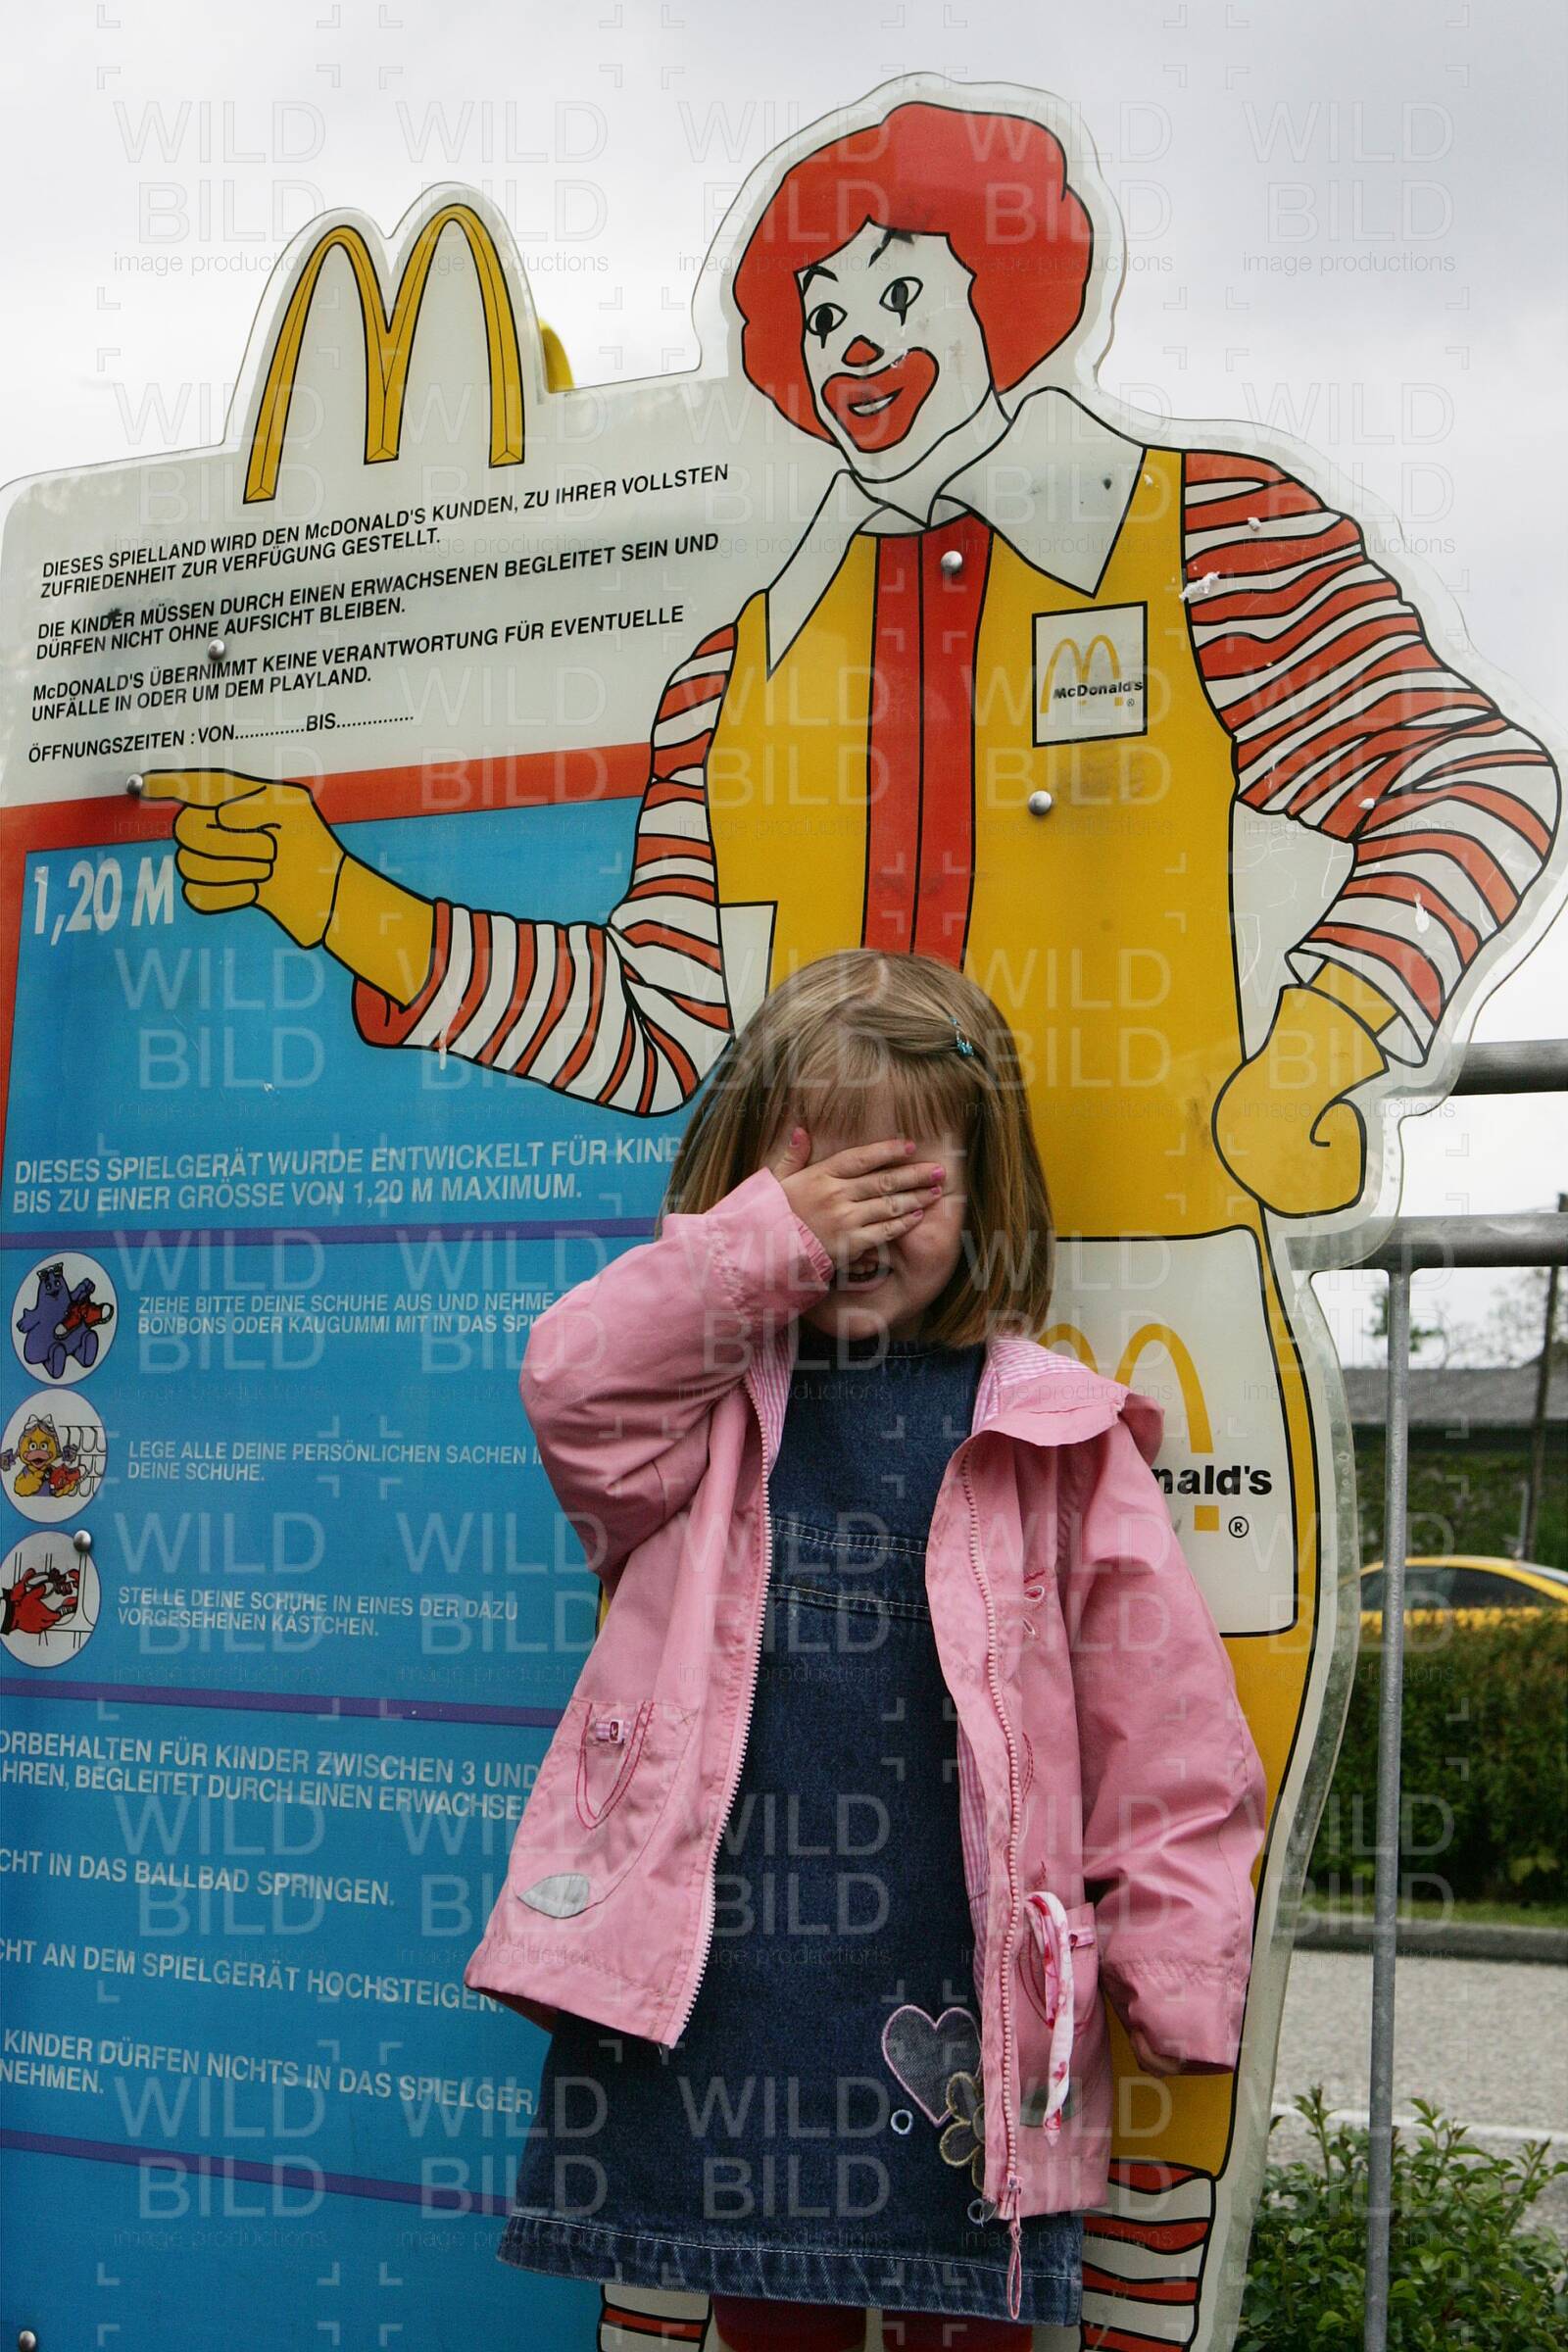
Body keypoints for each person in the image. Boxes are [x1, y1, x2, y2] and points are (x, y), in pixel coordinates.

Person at [477, 948, 1268, 2348]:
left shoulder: (1056, 1436)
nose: (854, 1222)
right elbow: (571, 1377)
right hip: (721, 1977)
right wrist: (762, 1248)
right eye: (819, 1182)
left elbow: (1169, 1732)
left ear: (988, 1199)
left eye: (903, 1185)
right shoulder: (699, 1414)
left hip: (960, 1982)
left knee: (969, 2302)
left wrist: (1182, 1966)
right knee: (761, 2294)